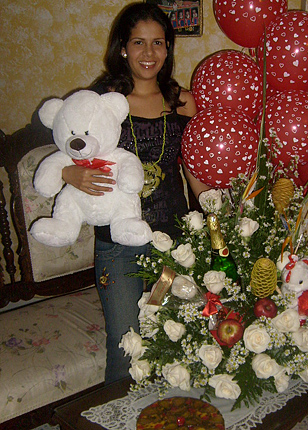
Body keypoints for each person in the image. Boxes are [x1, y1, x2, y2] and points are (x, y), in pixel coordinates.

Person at [62, 2, 209, 384]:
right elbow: (69, 146)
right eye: (139, 43)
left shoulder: (183, 101)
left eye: (158, 43)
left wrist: (215, 211)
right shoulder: (100, 103)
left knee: (172, 330)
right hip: (118, 244)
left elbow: (191, 166)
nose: (149, 53)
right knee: (126, 341)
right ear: (123, 48)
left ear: (168, 47)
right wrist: (69, 173)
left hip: (172, 243)